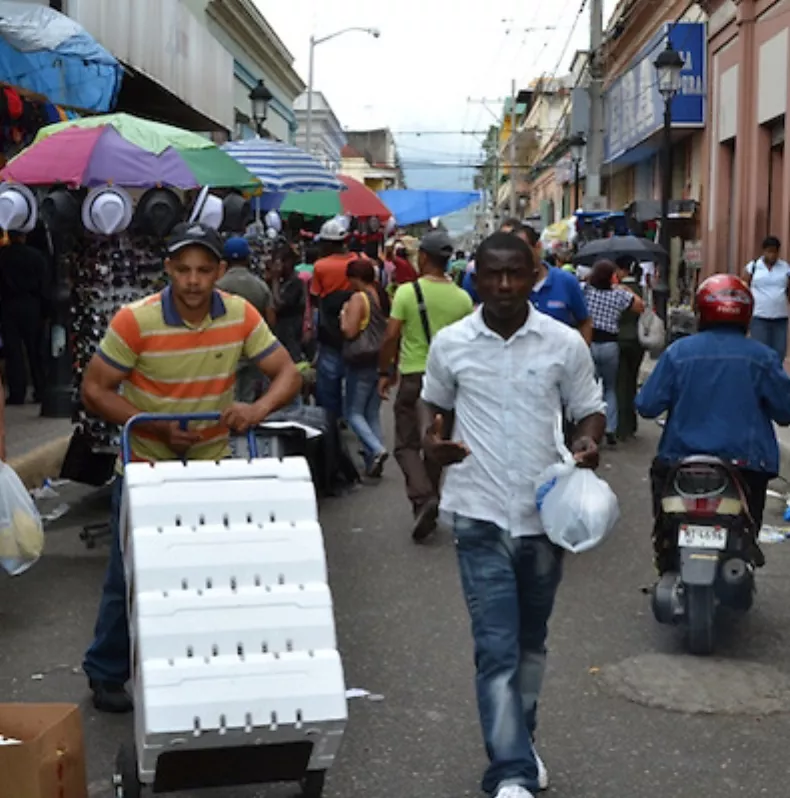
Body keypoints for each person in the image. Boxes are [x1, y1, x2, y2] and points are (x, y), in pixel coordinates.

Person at [80, 222, 301, 713]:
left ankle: (200, 663)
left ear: (220, 272)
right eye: (183, 270)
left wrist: (255, 410)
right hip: (145, 462)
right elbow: (94, 390)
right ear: (168, 270)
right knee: (129, 573)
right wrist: (155, 428)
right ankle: (106, 670)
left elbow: (286, 371)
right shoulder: (134, 321)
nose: (194, 280)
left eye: (204, 270)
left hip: (209, 462)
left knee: (209, 572)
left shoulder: (241, 316)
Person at [420, 231, 605, 798]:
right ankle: (512, 773)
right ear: (474, 274)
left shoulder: (563, 343)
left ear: (534, 276)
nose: (503, 285)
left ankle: (519, 743)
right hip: (477, 514)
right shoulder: (451, 344)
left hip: (544, 518)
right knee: (496, 647)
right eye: (492, 274)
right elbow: (433, 403)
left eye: (515, 274)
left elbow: (589, 410)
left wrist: (587, 444)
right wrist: (433, 442)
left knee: (530, 643)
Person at [636, 274, 790, 574]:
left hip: (680, 459)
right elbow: (785, 411)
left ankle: (665, 546)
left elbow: (646, 405)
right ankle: (746, 548)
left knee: (662, 491)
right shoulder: (763, 357)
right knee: (749, 518)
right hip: (747, 463)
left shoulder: (679, 353)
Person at [378, 230, 473, 541]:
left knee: (406, 444)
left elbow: (391, 335)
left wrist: (385, 371)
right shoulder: (462, 298)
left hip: (413, 376)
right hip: (448, 382)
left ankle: (423, 498)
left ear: (425, 258)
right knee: (436, 442)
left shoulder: (407, 293)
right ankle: (429, 496)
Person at [582, 260, 644, 445]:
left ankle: (592, 428)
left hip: (590, 343)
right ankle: (610, 427)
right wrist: (626, 289)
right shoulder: (618, 295)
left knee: (592, 389)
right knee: (610, 388)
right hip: (610, 345)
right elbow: (640, 306)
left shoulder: (586, 291)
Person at [340, 259, 390, 478]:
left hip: (360, 361)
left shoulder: (359, 298)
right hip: (380, 360)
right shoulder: (382, 295)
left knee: (353, 413)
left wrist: (343, 316)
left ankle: (376, 449)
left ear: (354, 278)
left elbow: (349, 331)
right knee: (371, 413)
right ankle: (373, 460)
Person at [216, 236, 276, 403]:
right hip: (252, 352)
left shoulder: (218, 286)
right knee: (248, 401)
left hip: (224, 353)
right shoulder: (260, 286)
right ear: (248, 259)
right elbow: (271, 320)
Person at [310, 218, 356, 418]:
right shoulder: (360, 261)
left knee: (329, 380)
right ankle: (350, 416)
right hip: (356, 326)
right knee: (353, 378)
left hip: (329, 330)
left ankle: (331, 420)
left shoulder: (320, 266)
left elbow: (314, 298)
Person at [0, 231, 50, 404]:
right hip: (32, 305)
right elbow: (44, 283)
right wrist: (45, 309)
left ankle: (17, 392)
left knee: (13, 351)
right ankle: (41, 389)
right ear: (24, 236)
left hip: (8, 305)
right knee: (35, 349)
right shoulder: (36, 256)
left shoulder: (3, 256)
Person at [743, 235, 790, 362]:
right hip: (759, 315)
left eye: (775, 252)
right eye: (769, 251)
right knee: (760, 350)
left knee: (779, 351)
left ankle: (775, 378)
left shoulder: (785, 268)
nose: (772, 255)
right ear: (763, 251)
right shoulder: (753, 267)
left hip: (780, 317)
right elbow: (745, 287)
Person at [614, 257, 645, 441]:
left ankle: (622, 426)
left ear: (621, 271)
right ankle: (632, 424)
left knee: (620, 385)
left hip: (619, 339)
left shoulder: (618, 291)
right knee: (632, 382)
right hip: (637, 340)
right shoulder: (642, 290)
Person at [271, 243, 307, 364]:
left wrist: (275, 280)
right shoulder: (285, 280)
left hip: (291, 329)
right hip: (283, 330)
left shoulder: (295, 282)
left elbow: (279, 304)